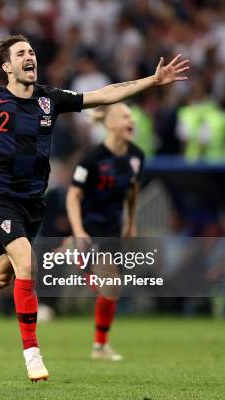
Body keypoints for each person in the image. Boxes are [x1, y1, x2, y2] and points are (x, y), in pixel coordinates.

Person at [0, 16, 188, 381]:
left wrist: (152, 81)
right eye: (21, 53)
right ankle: (32, 354)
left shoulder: (50, 99)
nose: (30, 57)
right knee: (26, 263)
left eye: (32, 51)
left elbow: (105, 94)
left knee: (3, 273)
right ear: (7, 66)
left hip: (33, 202)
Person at [65, 103, 145, 361]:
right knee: (111, 281)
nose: (130, 120)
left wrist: (131, 223)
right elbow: (73, 196)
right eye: (124, 116)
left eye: (131, 116)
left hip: (113, 230)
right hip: (91, 227)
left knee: (112, 290)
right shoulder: (91, 158)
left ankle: (100, 346)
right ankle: (99, 347)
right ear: (109, 123)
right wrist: (78, 230)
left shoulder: (136, 156)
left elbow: (132, 190)